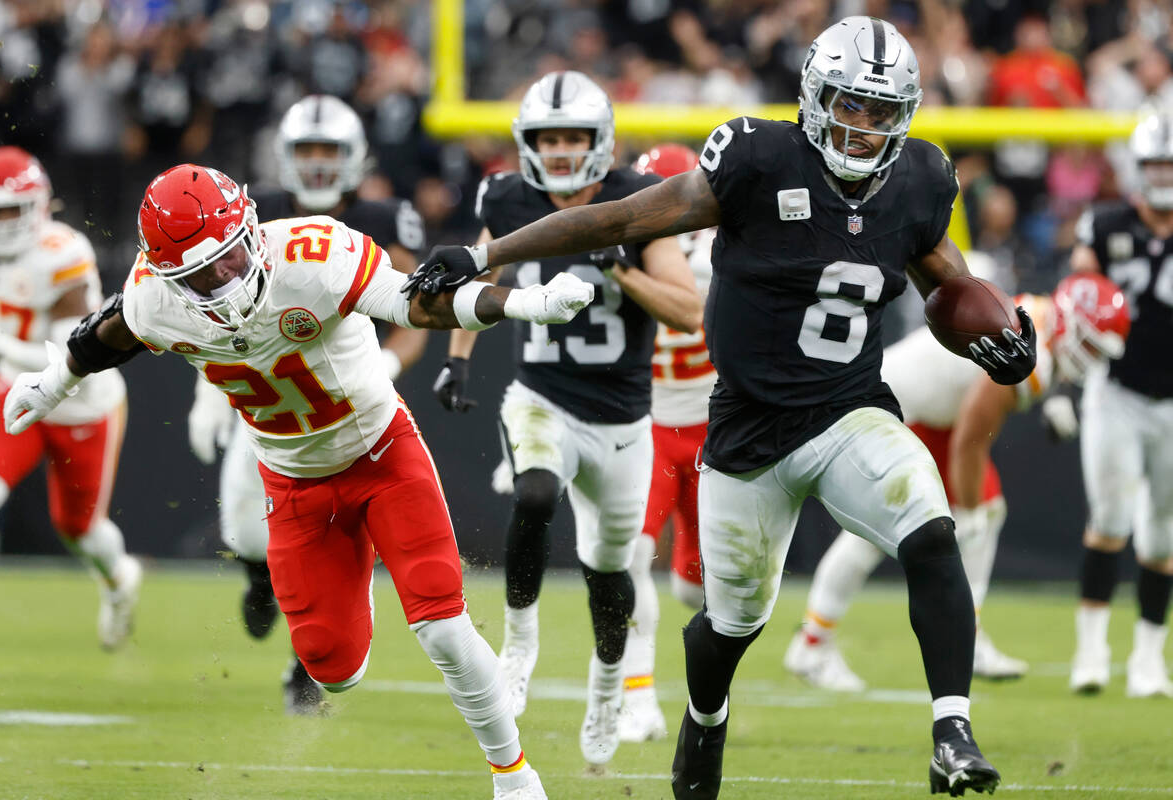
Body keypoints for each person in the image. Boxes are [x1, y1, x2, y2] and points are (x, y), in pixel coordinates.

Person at [404, 18, 1039, 798]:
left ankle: (951, 732)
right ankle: (704, 718)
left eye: (881, 111)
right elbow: (623, 218)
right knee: (730, 626)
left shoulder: (920, 180)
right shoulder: (758, 158)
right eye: (849, 103)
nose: (863, 126)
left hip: (850, 412)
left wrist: (1000, 337)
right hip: (748, 434)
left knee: (931, 531)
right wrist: (486, 252)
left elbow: (951, 288)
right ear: (814, 95)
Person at [2, 163, 597, 799]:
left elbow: (417, 304)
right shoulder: (157, 298)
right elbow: (108, 335)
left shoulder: (313, 254)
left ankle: (514, 777)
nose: (223, 282)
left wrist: (524, 303)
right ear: (171, 276)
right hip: (290, 482)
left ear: (250, 231)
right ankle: (355, 575)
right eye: (201, 276)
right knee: (333, 670)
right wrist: (51, 382)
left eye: (229, 261)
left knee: (443, 627)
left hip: (381, 454)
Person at [431, 71, 702, 767]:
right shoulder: (510, 198)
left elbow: (688, 308)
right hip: (540, 396)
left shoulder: (636, 204)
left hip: (622, 419)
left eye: (572, 137)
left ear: (600, 141)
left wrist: (624, 272)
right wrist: (459, 358)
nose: (557, 150)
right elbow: (480, 282)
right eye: (546, 138)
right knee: (535, 493)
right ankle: (519, 645)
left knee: (610, 570)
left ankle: (609, 685)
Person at [184, 94, 429, 714]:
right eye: (306, 151)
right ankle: (258, 576)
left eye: (329, 151)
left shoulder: (382, 215)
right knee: (243, 526)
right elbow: (203, 314)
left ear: (355, 158)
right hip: (268, 398)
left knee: (334, 540)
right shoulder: (244, 215)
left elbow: (418, 309)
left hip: (345, 403)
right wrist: (206, 393)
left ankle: (306, 668)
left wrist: (390, 365)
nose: (317, 164)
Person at [784, 267, 1129, 691]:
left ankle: (970, 633)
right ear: (1071, 323)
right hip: (894, 409)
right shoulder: (1021, 346)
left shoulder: (1035, 320)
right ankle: (813, 643)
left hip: (923, 411)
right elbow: (970, 440)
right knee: (888, 532)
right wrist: (965, 513)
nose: (1091, 359)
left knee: (987, 511)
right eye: (1090, 345)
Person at [0, 146, 140, 680]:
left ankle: (118, 579)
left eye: (10, 210)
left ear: (40, 206)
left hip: (76, 400)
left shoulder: (63, 252)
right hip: (11, 392)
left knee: (78, 529)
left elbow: (67, 355)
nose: (1, 224)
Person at [1068, 106, 1173, 698]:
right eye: (1156, 162)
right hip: (1118, 390)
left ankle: (1148, 661)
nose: (1163, 174)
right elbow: (1077, 291)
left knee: (1163, 537)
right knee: (1108, 520)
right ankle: (1091, 652)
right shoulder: (1106, 224)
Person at [618, 143, 714, 744]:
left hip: (712, 432)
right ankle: (637, 696)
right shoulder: (629, 255)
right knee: (629, 556)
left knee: (699, 587)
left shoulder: (719, 257)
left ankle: (703, 704)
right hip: (649, 428)